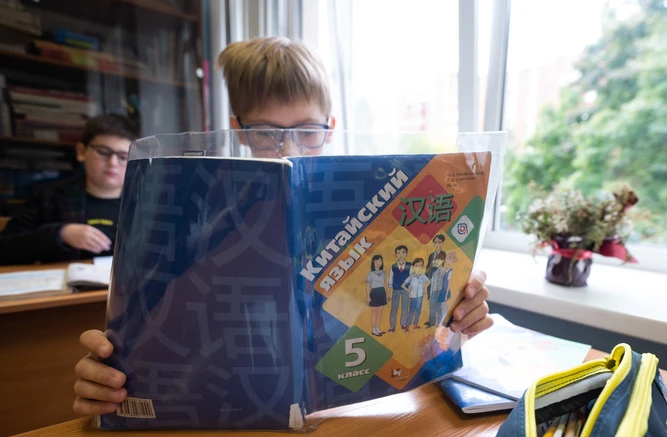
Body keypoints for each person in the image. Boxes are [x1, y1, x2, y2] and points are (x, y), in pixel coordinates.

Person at [72, 36, 492, 417]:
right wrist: (113, 375)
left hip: (352, 418)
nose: (289, 149)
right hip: (235, 417)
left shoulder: (374, 218)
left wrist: (453, 317)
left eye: (307, 131)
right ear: (238, 131)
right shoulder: (203, 219)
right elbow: (161, 336)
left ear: (330, 127)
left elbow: (401, 342)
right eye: (266, 133)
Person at [0, 114, 138, 265]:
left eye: (123, 156)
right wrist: (60, 234)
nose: (113, 163)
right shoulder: (48, 196)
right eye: (103, 152)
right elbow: (5, 248)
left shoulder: (143, 202)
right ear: (81, 152)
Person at [387, 245, 411, 332]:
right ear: (396, 255)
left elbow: (411, 277)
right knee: (394, 307)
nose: (400, 255)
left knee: (405, 307)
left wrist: (410, 290)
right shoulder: (393, 266)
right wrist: (390, 292)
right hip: (395, 289)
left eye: (403, 252)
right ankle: (392, 326)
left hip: (405, 289)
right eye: (398, 253)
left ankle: (403, 323)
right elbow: (390, 279)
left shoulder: (409, 265)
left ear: (406, 254)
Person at [402, 257, 429, 333]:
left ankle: (415, 325)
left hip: (420, 296)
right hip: (413, 297)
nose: (418, 267)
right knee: (411, 312)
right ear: (413, 267)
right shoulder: (411, 277)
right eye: (416, 265)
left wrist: (425, 288)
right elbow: (403, 285)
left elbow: (428, 282)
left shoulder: (423, 276)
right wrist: (409, 291)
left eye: (420, 265)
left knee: (418, 311)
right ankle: (407, 326)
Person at [366, 254, 387, 336]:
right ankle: (373, 329)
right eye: (376, 261)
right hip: (374, 292)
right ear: (373, 263)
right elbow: (368, 286)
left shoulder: (383, 272)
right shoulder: (370, 274)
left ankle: (377, 328)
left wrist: (386, 294)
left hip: (382, 292)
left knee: (380, 312)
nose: (378, 263)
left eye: (380, 261)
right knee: (374, 312)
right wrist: (368, 297)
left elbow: (385, 284)